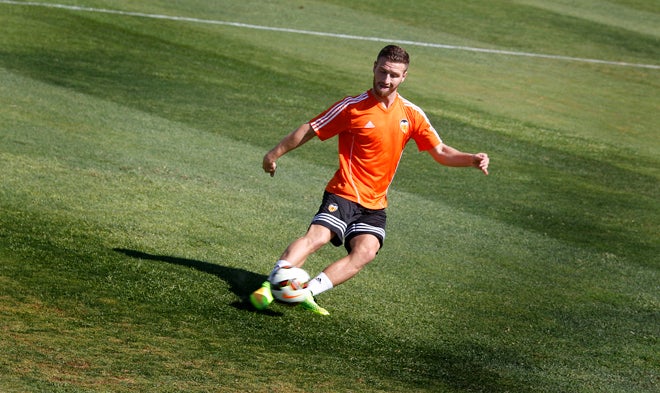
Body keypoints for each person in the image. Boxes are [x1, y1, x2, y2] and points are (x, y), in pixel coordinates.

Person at [250, 45, 489, 315]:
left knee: (365, 252)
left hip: (375, 203)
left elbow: (442, 151)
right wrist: (273, 154)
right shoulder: (352, 107)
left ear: (404, 77)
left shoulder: (411, 114)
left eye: (394, 76)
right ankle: (271, 285)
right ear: (374, 66)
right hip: (344, 192)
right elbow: (310, 129)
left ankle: (305, 291)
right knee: (317, 237)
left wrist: (471, 159)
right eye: (383, 72)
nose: (386, 80)